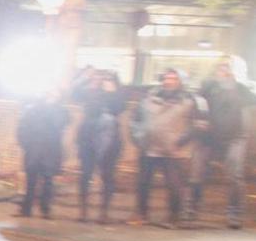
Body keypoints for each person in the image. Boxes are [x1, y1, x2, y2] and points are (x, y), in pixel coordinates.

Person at [132, 68, 204, 227]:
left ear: (180, 82)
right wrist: (138, 137)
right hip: (149, 148)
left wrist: (181, 140)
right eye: (166, 78)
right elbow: (136, 119)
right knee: (143, 183)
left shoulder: (190, 100)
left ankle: (174, 217)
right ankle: (142, 214)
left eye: (173, 78)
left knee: (174, 185)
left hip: (174, 151)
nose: (168, 81)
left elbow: (199, 124)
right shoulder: (149, 97)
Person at [190, 57, 253, 229]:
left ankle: (235, 213)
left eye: (226, 67)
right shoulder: (209, 86)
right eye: (220, 66)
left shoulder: (242, 89)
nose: (222, 70)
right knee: (197, 172)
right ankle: (191, 208)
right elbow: (195, 102)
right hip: (209, 136)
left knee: (235, 175)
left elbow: (249, 110)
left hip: (235, 137)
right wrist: (199, 120)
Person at [72, 68, 126, 223]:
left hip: (110, 138)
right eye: (97, 77)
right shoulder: (88, 91)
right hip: (88, 137)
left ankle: (104, 212)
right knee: (85, 174)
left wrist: (112, 91)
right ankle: (83, 211)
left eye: (103, 77)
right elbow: (73, 93)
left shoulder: (115, 93)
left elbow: (120, 108)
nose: (99, 80)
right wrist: (84, 78)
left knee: (107, 175)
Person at [16, 88, 68, 218]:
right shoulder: (33, 109)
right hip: (35, 148)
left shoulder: (60, 110)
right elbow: (22, 127)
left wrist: (52, 107)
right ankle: (27, 208)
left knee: (48, 180)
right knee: (31, 179)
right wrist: (26, 144)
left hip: (49, 149)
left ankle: (45, 208)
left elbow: (59, 124)